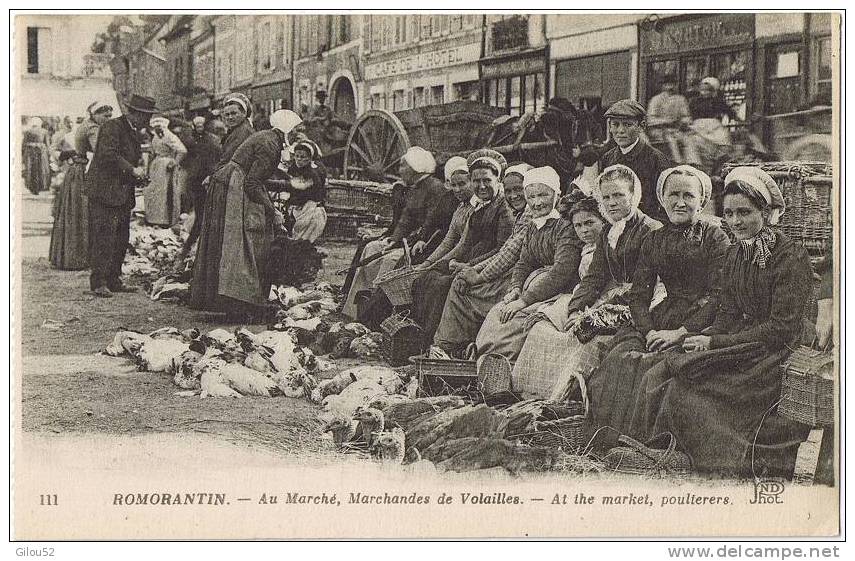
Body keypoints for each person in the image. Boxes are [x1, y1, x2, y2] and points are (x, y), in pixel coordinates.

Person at [629, 166, 812, 477]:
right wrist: (704, 336)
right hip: (745, 339)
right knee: (669, 367)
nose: (735, 221)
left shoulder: (790, 256)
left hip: (775, 351)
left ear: (765, 213)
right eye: (728, 213)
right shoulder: (738, 253)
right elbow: (727, 309)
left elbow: (780, 328)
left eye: (744, 212)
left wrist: (714, 342)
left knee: (688, 386)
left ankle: (706, 461)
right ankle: (666, 450)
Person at [586, 165, 730, 439]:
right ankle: (614, 439)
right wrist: (648, 330)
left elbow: (719, 295)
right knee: (619, 361)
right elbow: (640, 294)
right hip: (663, 316)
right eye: (673, 195)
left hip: (702, 320)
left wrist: (681, 332)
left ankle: (650, 442)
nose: (680, 202)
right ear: (663, 200)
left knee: (655, 371)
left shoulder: (714, 236)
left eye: (688, 195)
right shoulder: (654, 240)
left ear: (701, 201)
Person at [190, 110, 302, 318]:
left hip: (231, 182)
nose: (297, 135)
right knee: (242, 240)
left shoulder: (268, 137)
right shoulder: (270, 144)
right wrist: (272, 211)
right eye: (295, 130)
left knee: (231, 242)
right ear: (286, 129)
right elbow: (252, 182)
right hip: (234, 187)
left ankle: (234, 299)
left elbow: (256, 176)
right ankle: (240, 300)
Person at [474, 166, 583, 362]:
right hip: (534, 291)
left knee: (516, 318)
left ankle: (503, 363)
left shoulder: (565, 227)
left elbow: (561, 272)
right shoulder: (534, 226)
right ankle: (485, 360)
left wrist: (523, 301)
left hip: (559, 293)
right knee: (497, 312)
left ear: (556, 195)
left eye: (543, 195)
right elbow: (524, 262)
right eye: (531, 197)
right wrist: (515, 288)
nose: (537, 202)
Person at [409, 151, 515, 344]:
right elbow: (463, 243)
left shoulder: (504, 209)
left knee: (442, 285)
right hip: (469, 261)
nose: (481, 186)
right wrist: (435, 263)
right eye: (476, 181)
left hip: (490, 267)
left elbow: (502, 250)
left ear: (497, 179)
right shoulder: (479, 206)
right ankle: (416, 335)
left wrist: (468, 266)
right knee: (427, 277)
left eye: (486, 180)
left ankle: (439, 342)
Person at [429, 163, 532, 358]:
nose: (513, 196)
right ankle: (452, 346)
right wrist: (467, 270)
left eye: (519, 190)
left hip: (521, 279)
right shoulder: (520, 214)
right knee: (454, 282)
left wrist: (476, 275)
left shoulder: (518, 214)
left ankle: (452, 347)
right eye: (509, 191)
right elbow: (504, 251)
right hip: (514, 272)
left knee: (463, 289)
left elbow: (507, 253)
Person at [340, 146, 448, 319]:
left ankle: (376, 311)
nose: (399, 170)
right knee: (372, 248)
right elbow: (405, 219)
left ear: (415, 168)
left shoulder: (435, 188)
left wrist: (414, 239)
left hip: (422, 243)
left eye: (403, 166)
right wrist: (393, 239)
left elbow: (431, 221)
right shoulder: (415, 188)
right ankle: (354, 306)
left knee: (390, 261)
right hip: (406, 239)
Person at [85, 94, 156, 297]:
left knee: (120, 237)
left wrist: (137, 178)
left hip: (121, 193)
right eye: (146, 116)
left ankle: (114, 278)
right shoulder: (112, 127)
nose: (148, 121)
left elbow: (123, 161)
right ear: (135, 114)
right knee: (104, 236)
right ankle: (99, 282)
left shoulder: (131, 130)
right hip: (105, 192)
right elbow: (108, 155)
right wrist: (133, 171)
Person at [49, 101, 113, 270]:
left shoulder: (86, 125)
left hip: (75, 171)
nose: (108, 119)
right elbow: (100, 151)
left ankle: (69, 255)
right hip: (82, 172)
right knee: (82, 211)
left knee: (73, 212)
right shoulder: (93, 128)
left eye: (110, 116)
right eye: (105, 116)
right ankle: (79, 257)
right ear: (95, 114)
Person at [599, 99, 672, 222]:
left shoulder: (656, 159)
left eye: (627, 125)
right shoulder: (608, 158)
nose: (620, 131)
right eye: (615, 124)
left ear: (641, 126)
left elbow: (666, 206)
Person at [178, 116, 222, 258]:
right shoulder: (214, 141)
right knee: (205, 218)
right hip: (206, 181)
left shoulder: (194, 141)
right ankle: (195, 250)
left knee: (201, 218)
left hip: (202, 181)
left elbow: (185, 161)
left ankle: (191, 249)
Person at [268, 140, 328, 242]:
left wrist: (269, 184)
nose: (299, 159)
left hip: (310, 210)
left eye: (303, 157)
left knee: (302, 241)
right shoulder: (294, 168)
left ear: (310, 158)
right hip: (299, 209)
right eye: (297, 156)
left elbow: (295, 185)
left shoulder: (313, 174)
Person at [685, 77, 736, 174]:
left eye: (707, 90)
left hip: (714, 126)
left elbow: (730, 112)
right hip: (699, 126)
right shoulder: (694, 102)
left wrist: (730, 116)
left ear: (712, 91)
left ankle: (717, 163)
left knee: (723, 140)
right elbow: (690, 115)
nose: (704, 93)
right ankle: (700, 166)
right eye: (703, 90)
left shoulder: (718, 101)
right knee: (696, 141)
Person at [144, 116, 187, 226]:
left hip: (166, 166)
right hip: (157, 165)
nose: (158, 129)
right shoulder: (156, 137)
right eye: (156, 127)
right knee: (154, 191)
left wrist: (174, 162)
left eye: (160, 126)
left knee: (165, 192)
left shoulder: (169, 136)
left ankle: (166, 219)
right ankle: (154, 218)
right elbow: (153, 152)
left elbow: (182, 150)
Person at [646, 75, 692, 162]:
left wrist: (684, 121)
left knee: (688, 139)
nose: (670, 87)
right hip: (659, 130)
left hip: (676, 128)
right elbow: (650, 119)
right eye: (667, 84)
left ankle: (691, 163)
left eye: (672, 84)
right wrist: (665, 121)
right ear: (663, 86)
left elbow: (686, 116)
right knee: (672, 140)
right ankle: (678, 163)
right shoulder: (656, 100)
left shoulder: (680, 99)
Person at [217, 93, 255, 168]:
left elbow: (227, 160)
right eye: (227, 115)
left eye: (234, 113)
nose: (230, 117)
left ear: (243, 113)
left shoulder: (243, 131)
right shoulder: (236, 130)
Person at [22, 117, 51, 195]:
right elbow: (47, 144)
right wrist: (49, 154)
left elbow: (23, 145)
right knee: (41, 169)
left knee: (32, 170)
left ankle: (33, 187)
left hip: (31, 154)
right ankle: (41, 186)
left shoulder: (27, 132)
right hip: (41, 153)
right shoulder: (45, 131)